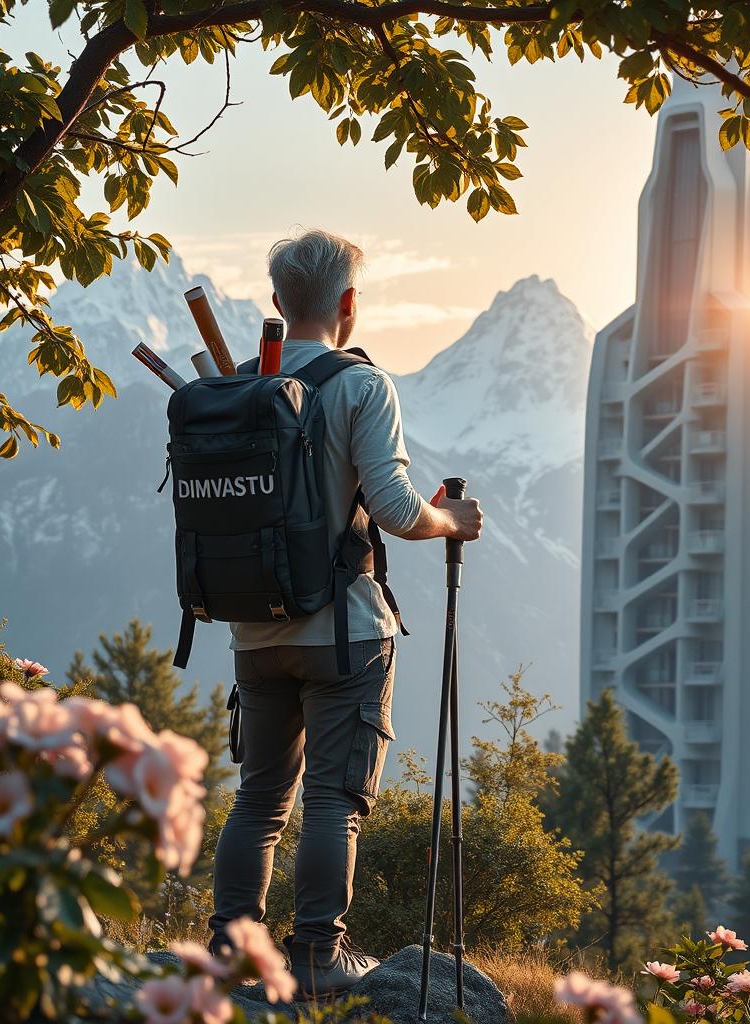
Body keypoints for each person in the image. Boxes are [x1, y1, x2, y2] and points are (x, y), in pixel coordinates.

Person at [207, 229, 483, 997]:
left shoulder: (237, 383)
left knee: (259, 798)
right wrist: (451, 521)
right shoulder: (363, 386)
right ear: (349, 304)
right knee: (332, 799)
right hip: (344, 634)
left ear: (275, 303)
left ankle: (232, 951)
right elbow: (395, 510)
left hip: (252, 630)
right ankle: (319, 957)